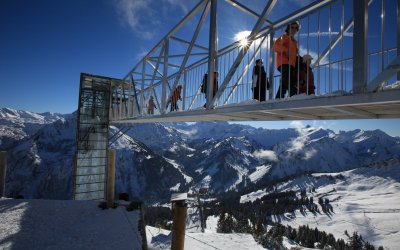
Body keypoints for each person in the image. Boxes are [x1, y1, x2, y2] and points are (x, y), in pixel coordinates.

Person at [274, 21, 300, 99]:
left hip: (291, 64)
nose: (294, 29)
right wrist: (285, 50)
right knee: (289, 80)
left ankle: (278, 98)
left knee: (284, 83)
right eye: (292, 27)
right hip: (284, 62)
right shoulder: (284, 37)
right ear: (288, 28)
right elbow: (275, 46)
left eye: (296, 28)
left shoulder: (295, 42)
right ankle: (294, 96)